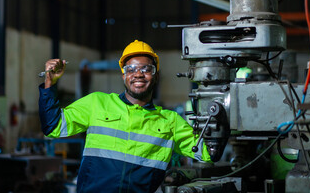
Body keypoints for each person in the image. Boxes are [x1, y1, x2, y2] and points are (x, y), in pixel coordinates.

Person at [39, 40, 214, 193]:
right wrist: (50, 82)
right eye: (131, 69)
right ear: (124, 75)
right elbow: (53, 127)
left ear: (156, 75)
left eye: (146, 69)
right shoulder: (97, 103)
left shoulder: (171, 122)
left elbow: (209, 154)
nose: (138, 74)